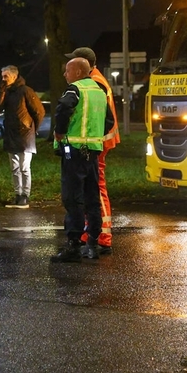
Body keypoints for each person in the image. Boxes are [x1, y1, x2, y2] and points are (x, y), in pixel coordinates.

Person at [51, 57, 115, 262]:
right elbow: (109, 120)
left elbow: (63, 109)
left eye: (67, 71)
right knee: (92, 198)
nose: (65, 74)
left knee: (72, 198)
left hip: (74, 151)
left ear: (78, 72)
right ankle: (92, 244)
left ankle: (73, 245)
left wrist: (59, 132)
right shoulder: (100, 91)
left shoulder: (75, 89)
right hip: (93, 152)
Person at [66, 47, 120, 254]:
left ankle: (103, 236)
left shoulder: (94, 83)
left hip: (96, 143)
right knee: (92, 187)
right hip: (98, 141)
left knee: (96, 188)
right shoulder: (97, 80)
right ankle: (93, 232)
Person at [0, 65, 45, 209]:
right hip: (11, 133)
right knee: (14, 167)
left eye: (6, 76)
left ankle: (25, 195)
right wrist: (1, 91)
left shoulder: (26, 91)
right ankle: (18, 194)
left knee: (24, 167)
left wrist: (32, 128)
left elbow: (39, 111)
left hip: (25, 134)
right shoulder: (6, 91)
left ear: (14, 76)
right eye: (2, 76)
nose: (3, 79)